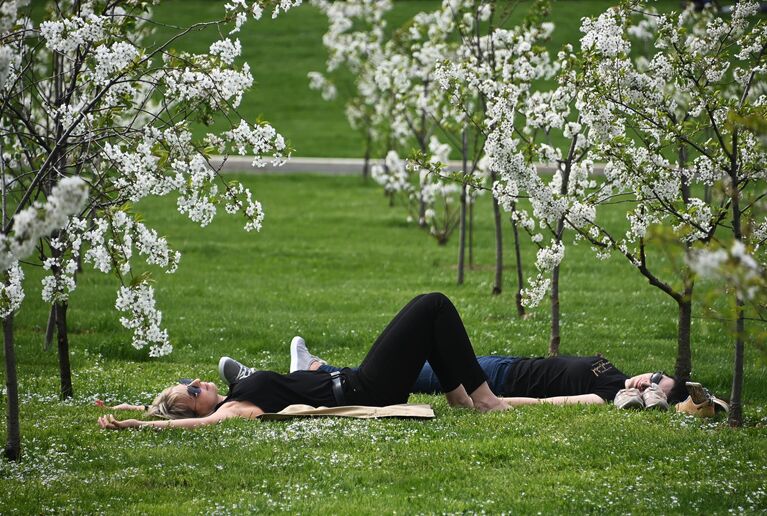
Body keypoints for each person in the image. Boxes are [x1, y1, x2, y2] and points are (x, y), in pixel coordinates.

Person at [98, 293, 510, 431]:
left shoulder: (234, 395)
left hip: (353, 381)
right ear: (197, 407)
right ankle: (486, 401)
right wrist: (141, 425)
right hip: (364, 390)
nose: (198, 382)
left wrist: (135, 408)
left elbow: (180, 413)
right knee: (432, 307)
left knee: (427, 321)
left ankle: (461, 399)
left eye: (189, 380)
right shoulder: (235, 410)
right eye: (191, 390)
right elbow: (197, 425)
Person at [276, 338, 690, 410]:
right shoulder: (615, 374)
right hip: (503, 364)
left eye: (656, 386)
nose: (647, 380)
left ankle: (316, 372)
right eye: (655, 375)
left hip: (496, 383)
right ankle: (317, 372)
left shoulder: (606, 396)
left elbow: (552, 401)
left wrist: (493, 401)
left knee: (405, 374)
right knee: (412, 370)